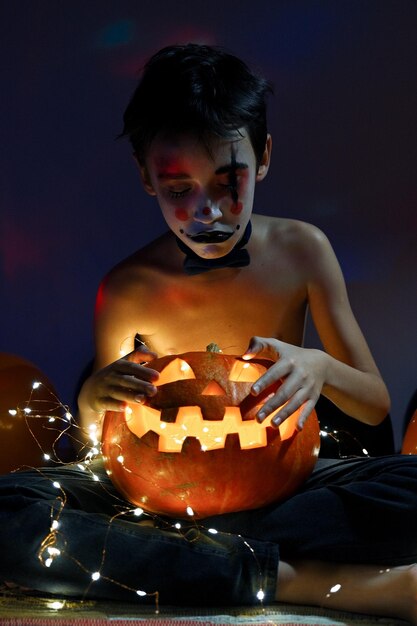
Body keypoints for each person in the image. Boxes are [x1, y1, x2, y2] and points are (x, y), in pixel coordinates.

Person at [1, 43, 417, 622]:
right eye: (179, 190)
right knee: (10, 511)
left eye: (228, 181)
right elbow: (110, 445)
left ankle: (187, 559)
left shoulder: (303, 250)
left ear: (263, 156)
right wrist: (94, 400)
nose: (209, 211)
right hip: (164, 498)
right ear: (147, 178)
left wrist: (318, 367)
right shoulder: (127, 288)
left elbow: (374, 405)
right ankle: (294, 578)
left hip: (286, 484)